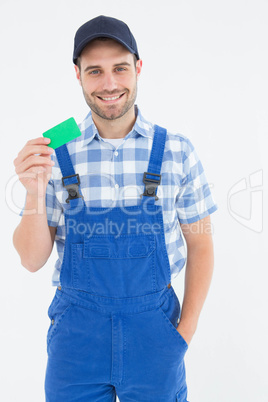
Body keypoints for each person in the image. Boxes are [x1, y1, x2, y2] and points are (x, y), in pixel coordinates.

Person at [13, 15, 217, 402]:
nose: (109, 84)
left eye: (120, 68)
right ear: (78, 75)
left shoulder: (176, 150)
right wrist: (33, 191)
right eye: (95, 71)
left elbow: (202, 245)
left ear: (138, 68)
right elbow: (30, 259)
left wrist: (182, 336)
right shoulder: (56, 151)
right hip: (77, 341)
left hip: (155, 336)